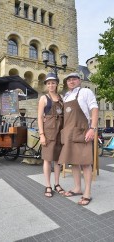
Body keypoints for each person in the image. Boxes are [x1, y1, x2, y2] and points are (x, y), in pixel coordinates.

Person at [59, 72, 98, 205]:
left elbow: (94, 109)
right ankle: (77, 188)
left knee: (85, 163)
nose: (71, 81)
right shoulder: (66, 97)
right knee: (74, 162)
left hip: (82, 132)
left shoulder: (86, 92)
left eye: (74, 79)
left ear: (79, 80)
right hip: (69, 133)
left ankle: (87, 192)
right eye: (69, 80)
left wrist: (92, 128)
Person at [38, 72, 64, 197]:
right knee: (48, 160)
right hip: (48, 133)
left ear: (57, 84)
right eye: (49, 83)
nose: (51, 85)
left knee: (58, 160)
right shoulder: (44, 98)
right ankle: (48, 185)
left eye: (53, 83)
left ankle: (57, 184)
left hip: (60, 132)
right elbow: (39, 117)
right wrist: (41, 134)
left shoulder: (61, 98)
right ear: (46, 85)